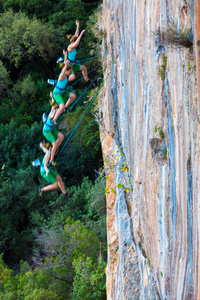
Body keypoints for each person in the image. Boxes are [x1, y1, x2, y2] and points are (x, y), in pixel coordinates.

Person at [42, 97, 64, 163]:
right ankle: (51, 160)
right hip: (46, 131)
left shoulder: (53, 110)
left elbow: (53, 105)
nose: (58, 109)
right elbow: (51, 115)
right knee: (54, 144)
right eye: (57, 108)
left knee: (61, 136)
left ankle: (54, 150)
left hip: (50, 129)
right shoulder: (52, 113)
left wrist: (52, 97)